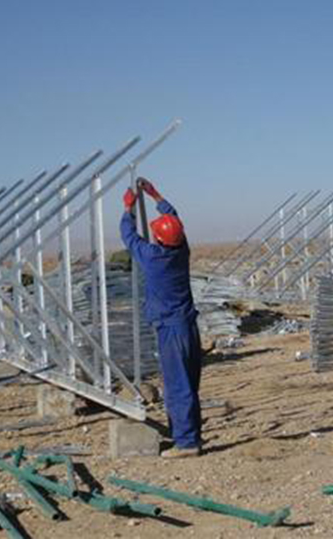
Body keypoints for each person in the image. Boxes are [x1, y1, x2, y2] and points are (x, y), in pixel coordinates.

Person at [120, 177, 202, 458]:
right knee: (188, 385)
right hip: (188, 326)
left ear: (157, 238)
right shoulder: (181, 251)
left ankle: (186, 444)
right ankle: (188, 436)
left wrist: (128, 208)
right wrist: (155, 195)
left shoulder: (153, 258)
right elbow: (175, 220)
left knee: (178, 387)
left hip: (171, 330)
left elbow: (128, 236)